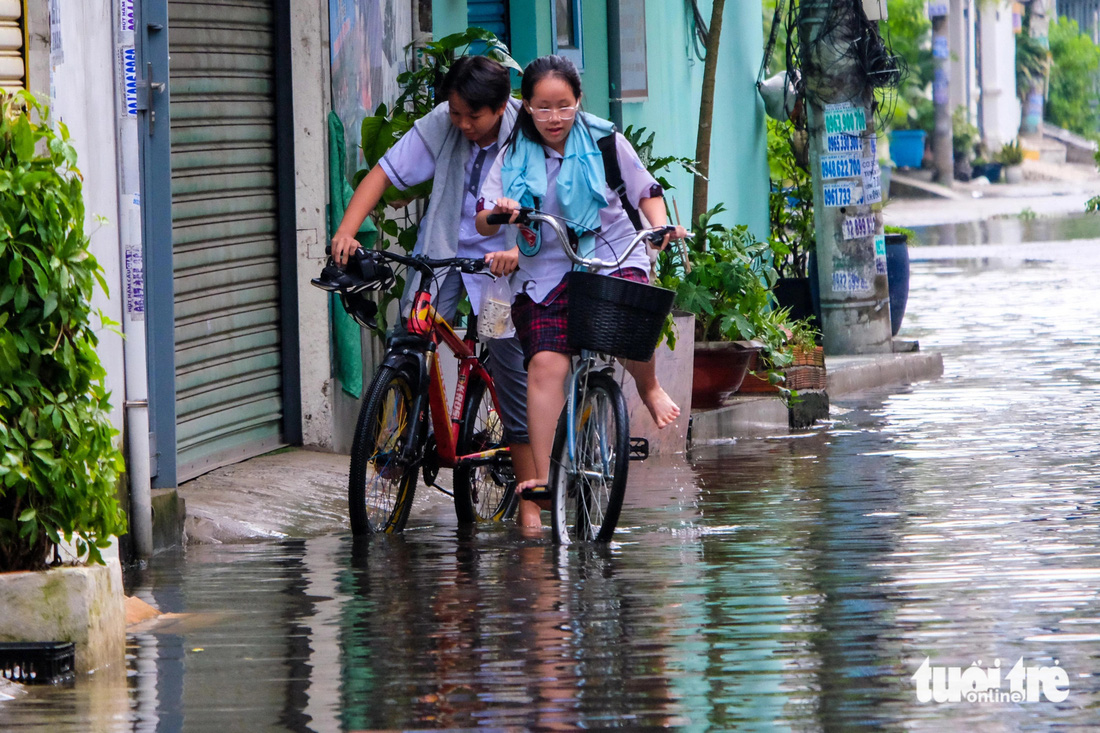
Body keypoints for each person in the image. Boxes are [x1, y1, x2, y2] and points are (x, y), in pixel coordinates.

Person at [330, 56, 541, 528]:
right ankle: (407, 434)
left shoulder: (526, 135)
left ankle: (529, 505)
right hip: (441, 252)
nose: (463, 124)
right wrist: (346, 230)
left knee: (509, 369)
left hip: (501, 266)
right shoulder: (443, 124)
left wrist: (518, 250)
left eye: (474, 116)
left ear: (502, 105)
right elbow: (383, 173)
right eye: (456, 113)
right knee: (410, 335)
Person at [475, 55, 686, 502]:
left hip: (610, 252)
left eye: (564, 106)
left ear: (578, 101)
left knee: (628, 313)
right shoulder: (512, 155)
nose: (555, 118)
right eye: (543, 107)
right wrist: (500, 214)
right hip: (546, 268)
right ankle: (545, 472)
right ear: (526, 106)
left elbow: (646, 192)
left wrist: (659, 227)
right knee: (545, 364)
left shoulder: (607, 140)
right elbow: (482, 220)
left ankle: (648, 388)